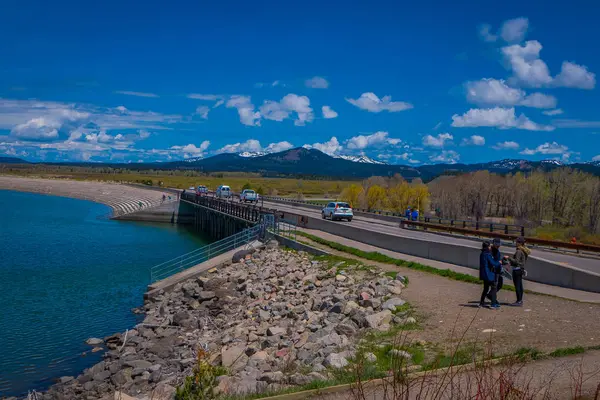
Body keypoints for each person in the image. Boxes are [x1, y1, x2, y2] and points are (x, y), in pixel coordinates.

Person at [505, 236, 530, 306]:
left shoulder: (519, 251)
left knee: (517, 286)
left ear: (520, 243)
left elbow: (516, 261)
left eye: (516, 242)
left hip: (517, 270)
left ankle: (518, 301)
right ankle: (520, 300)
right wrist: (510, 263)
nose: (515, 243)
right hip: (521, 269)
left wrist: (508, 258)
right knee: (520, 285)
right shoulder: (524, 250)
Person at [479, 241, 502, 309]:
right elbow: (493, 263)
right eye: (489, 246)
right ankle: (493, 304)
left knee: (485, 288)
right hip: (489, 274)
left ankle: (481, 302)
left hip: (483, 273)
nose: (490, 247)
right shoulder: (488, 254)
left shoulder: (482, 253)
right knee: (494, 288)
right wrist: (499, 262)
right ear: (487, 247)